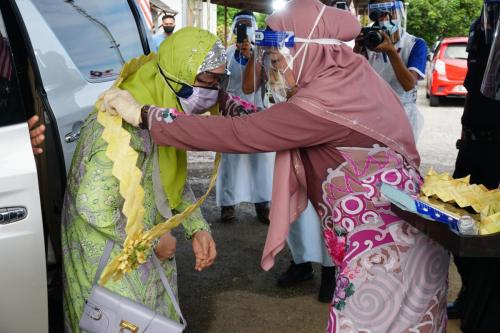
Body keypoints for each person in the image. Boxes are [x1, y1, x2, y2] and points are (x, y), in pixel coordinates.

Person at [100, 1, 450, 331]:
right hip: (395, 241)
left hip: (387, 259)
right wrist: (219, 97)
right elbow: (275, 122)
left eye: (279, 60)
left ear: (307, 50)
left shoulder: (325, 101)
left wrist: (146, 115)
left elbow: (247, 133)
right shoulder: (348, 77)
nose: (274, 71)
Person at [61, 27, 219, 332]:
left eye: (216, 83)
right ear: (178, 73)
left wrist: (196, 227)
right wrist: (151, 242)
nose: (211, 92)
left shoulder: (161, 111)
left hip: (142, 242)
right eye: (206, 82)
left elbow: (168, 175)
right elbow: (94, 206)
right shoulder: (121, 120)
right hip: (111, 252)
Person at [226, 10, 336, 302]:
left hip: (316, 135)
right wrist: (254, 55)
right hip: (286, 134)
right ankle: (301, 263)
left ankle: (330, 270)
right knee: (290, 200)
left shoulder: (315, 52)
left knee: (321, 201)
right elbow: (250, 87)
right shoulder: (265, 53)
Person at [448, 1, 500, 331]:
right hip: (471, 146)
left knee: (491, 235)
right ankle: (470, 295)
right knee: (459, 227)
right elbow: (472, 88)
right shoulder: (480, 27)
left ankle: (483, 311)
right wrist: (464, 136)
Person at [216, 10, 274, 224]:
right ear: (233, 28)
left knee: (261, 160)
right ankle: (227, 205)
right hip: (232, 113)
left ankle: (263, 204)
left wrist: (251, 57)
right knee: (230, 161)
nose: (244, 30)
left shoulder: (262, 54)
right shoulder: (225, 54)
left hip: (257, 112)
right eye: (240, 25)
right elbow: (219, 84)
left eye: (248, 25)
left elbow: (265, 83)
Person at [354, 0, 427, 141]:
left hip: (402, 119)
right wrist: (357, 49)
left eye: (389, 12)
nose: (384, 18)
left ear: (400, 13)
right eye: (379, 14)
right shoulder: (371, 41)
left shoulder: (414, 44)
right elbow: (354, 79)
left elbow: (409, 84)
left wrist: (391, 52)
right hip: (372, 115)